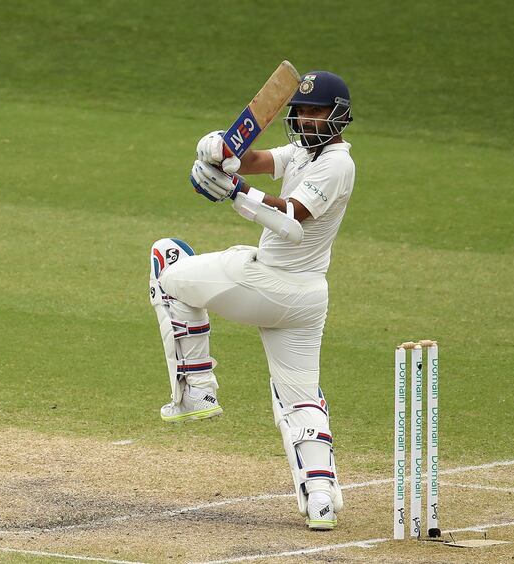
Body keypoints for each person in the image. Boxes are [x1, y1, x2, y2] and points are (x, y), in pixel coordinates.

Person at [148, 71, 355, 530]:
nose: (303, 118)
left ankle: (196, 389)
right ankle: (320, 498)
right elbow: (258, 159)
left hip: (271, 283)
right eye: (298, 111)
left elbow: (294, 216)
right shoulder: (305, 150)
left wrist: (237, 193)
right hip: (306, 299)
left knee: (168, 266)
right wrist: (223, 152)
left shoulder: (338, 165)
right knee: (300, 399)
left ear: (338, 116)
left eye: (314, 111)